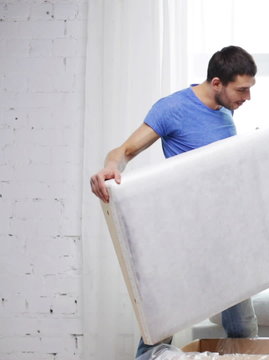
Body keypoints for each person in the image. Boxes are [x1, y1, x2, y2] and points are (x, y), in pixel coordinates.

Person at [89, 45, 259, 357]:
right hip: (182, 235)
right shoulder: (172, 108)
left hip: (225, 236)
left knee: (243, 330)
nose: (247, 98)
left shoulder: (226, 110)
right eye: (242, 90)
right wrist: (109, 171)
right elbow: (124, 151)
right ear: (217, 83)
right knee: (158, 333)